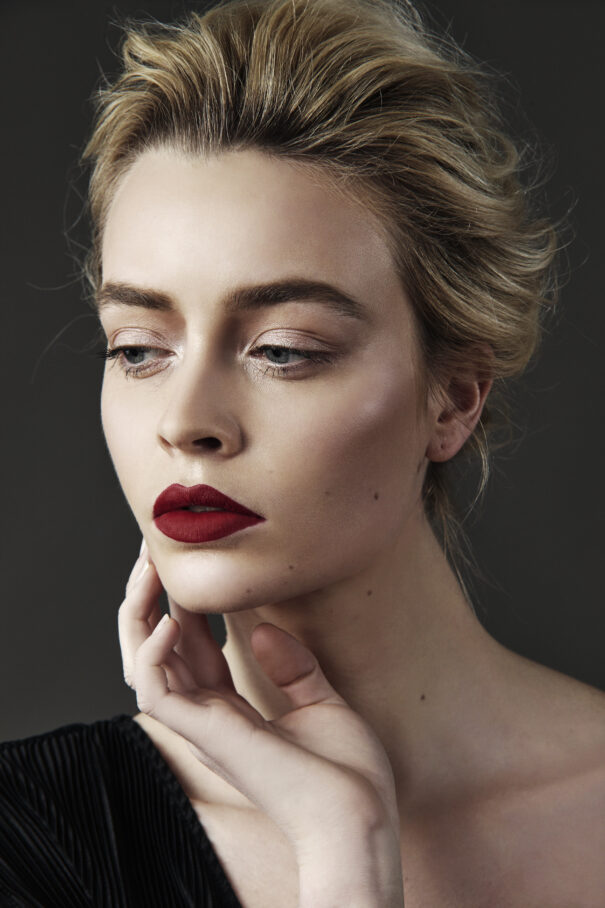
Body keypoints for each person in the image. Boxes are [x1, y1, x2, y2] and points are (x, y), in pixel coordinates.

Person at [1, 0, 604, 905]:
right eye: (138, 350)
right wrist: (342, 846)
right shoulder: (30, 839)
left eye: (281, 350)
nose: (185, 421)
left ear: (452, 397)